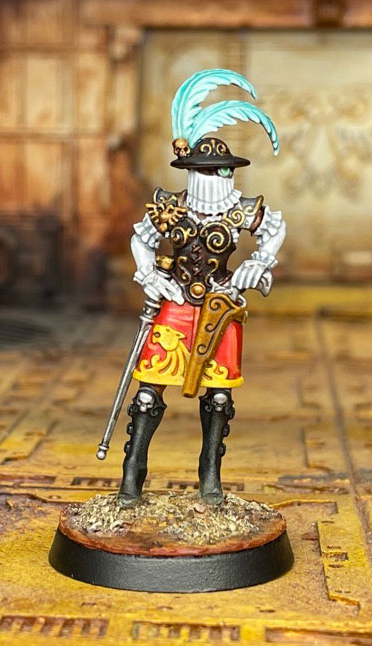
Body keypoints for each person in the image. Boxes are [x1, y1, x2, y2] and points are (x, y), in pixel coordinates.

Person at [118, 69, 286, 507]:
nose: (216, 175)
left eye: (222, 169)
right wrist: (150, 274)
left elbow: (273, 230)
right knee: (148, 392)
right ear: (190, 170)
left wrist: (258, 263)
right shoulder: (172, 206)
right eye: (207, 169)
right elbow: (141, 238)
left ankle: (210, 474)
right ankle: (132, 474)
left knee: (219, 397)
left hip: (221, 305)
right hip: (175, 302)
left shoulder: (240, 209)